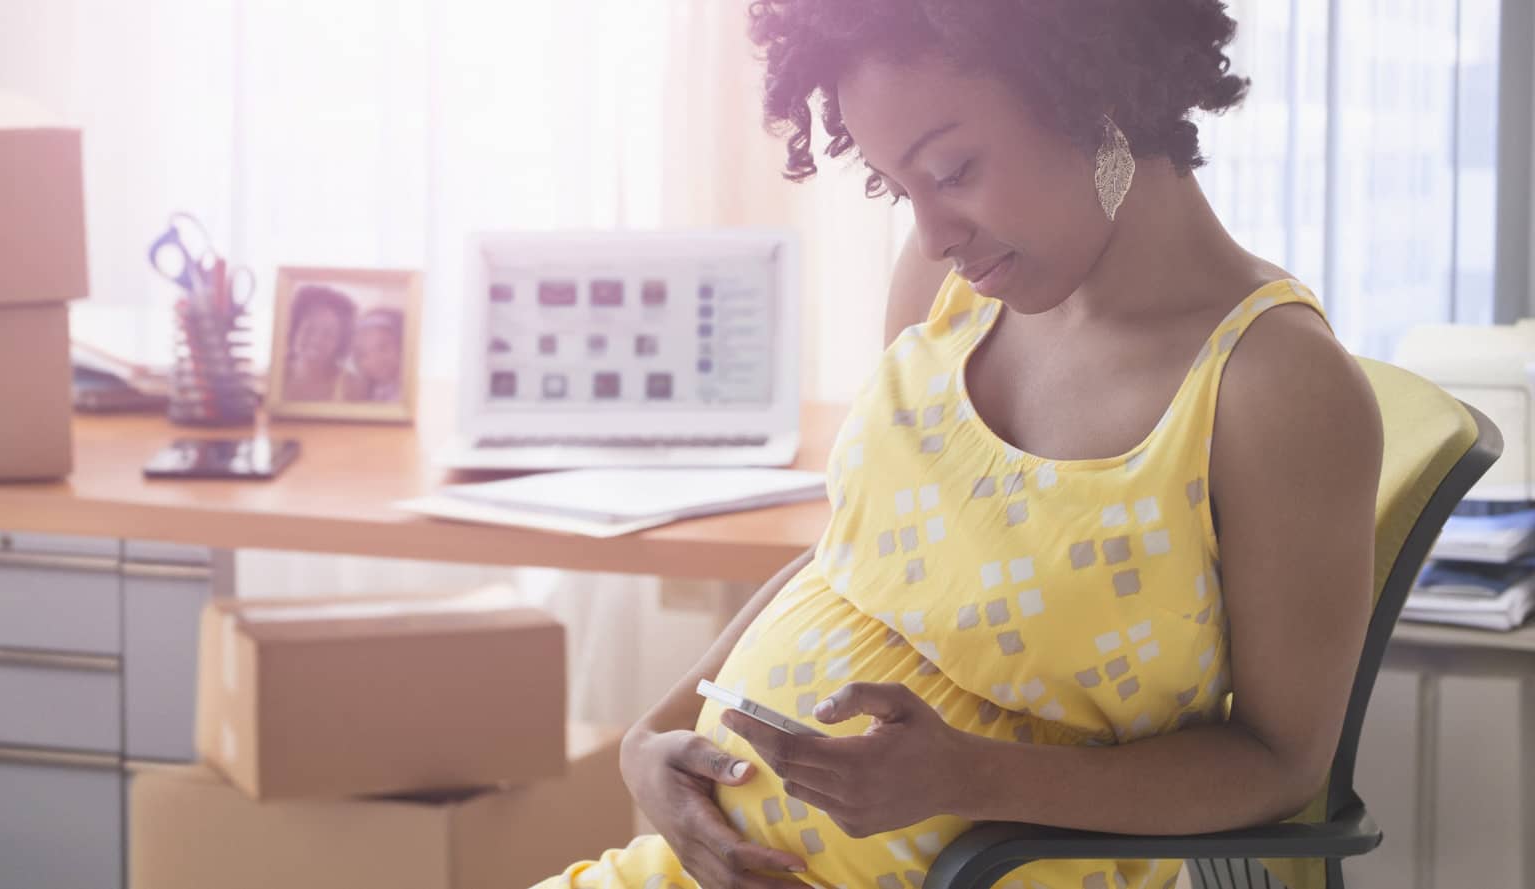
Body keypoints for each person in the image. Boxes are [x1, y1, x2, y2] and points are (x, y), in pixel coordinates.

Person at [537, 2, 1382, 888]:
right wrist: (654, 736)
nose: (933, 233)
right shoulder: (950, 287)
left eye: (954, 170)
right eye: (901, 188)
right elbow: (848, 559)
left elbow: (1282, 763)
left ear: (1098, 97)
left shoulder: (1272, 389)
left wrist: (968, 775)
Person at [282, 284, 356, 402]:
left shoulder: (351, 385)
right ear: (295, 328)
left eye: (328, 333)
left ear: (340, 342)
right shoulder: (274, 376)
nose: (316, 340)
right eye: (309, 328)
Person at [341, 307, 405, 403]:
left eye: (382, 347)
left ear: (401, 343)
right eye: (363, 354)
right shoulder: (365, 394)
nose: (375, 360)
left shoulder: (409, 393)